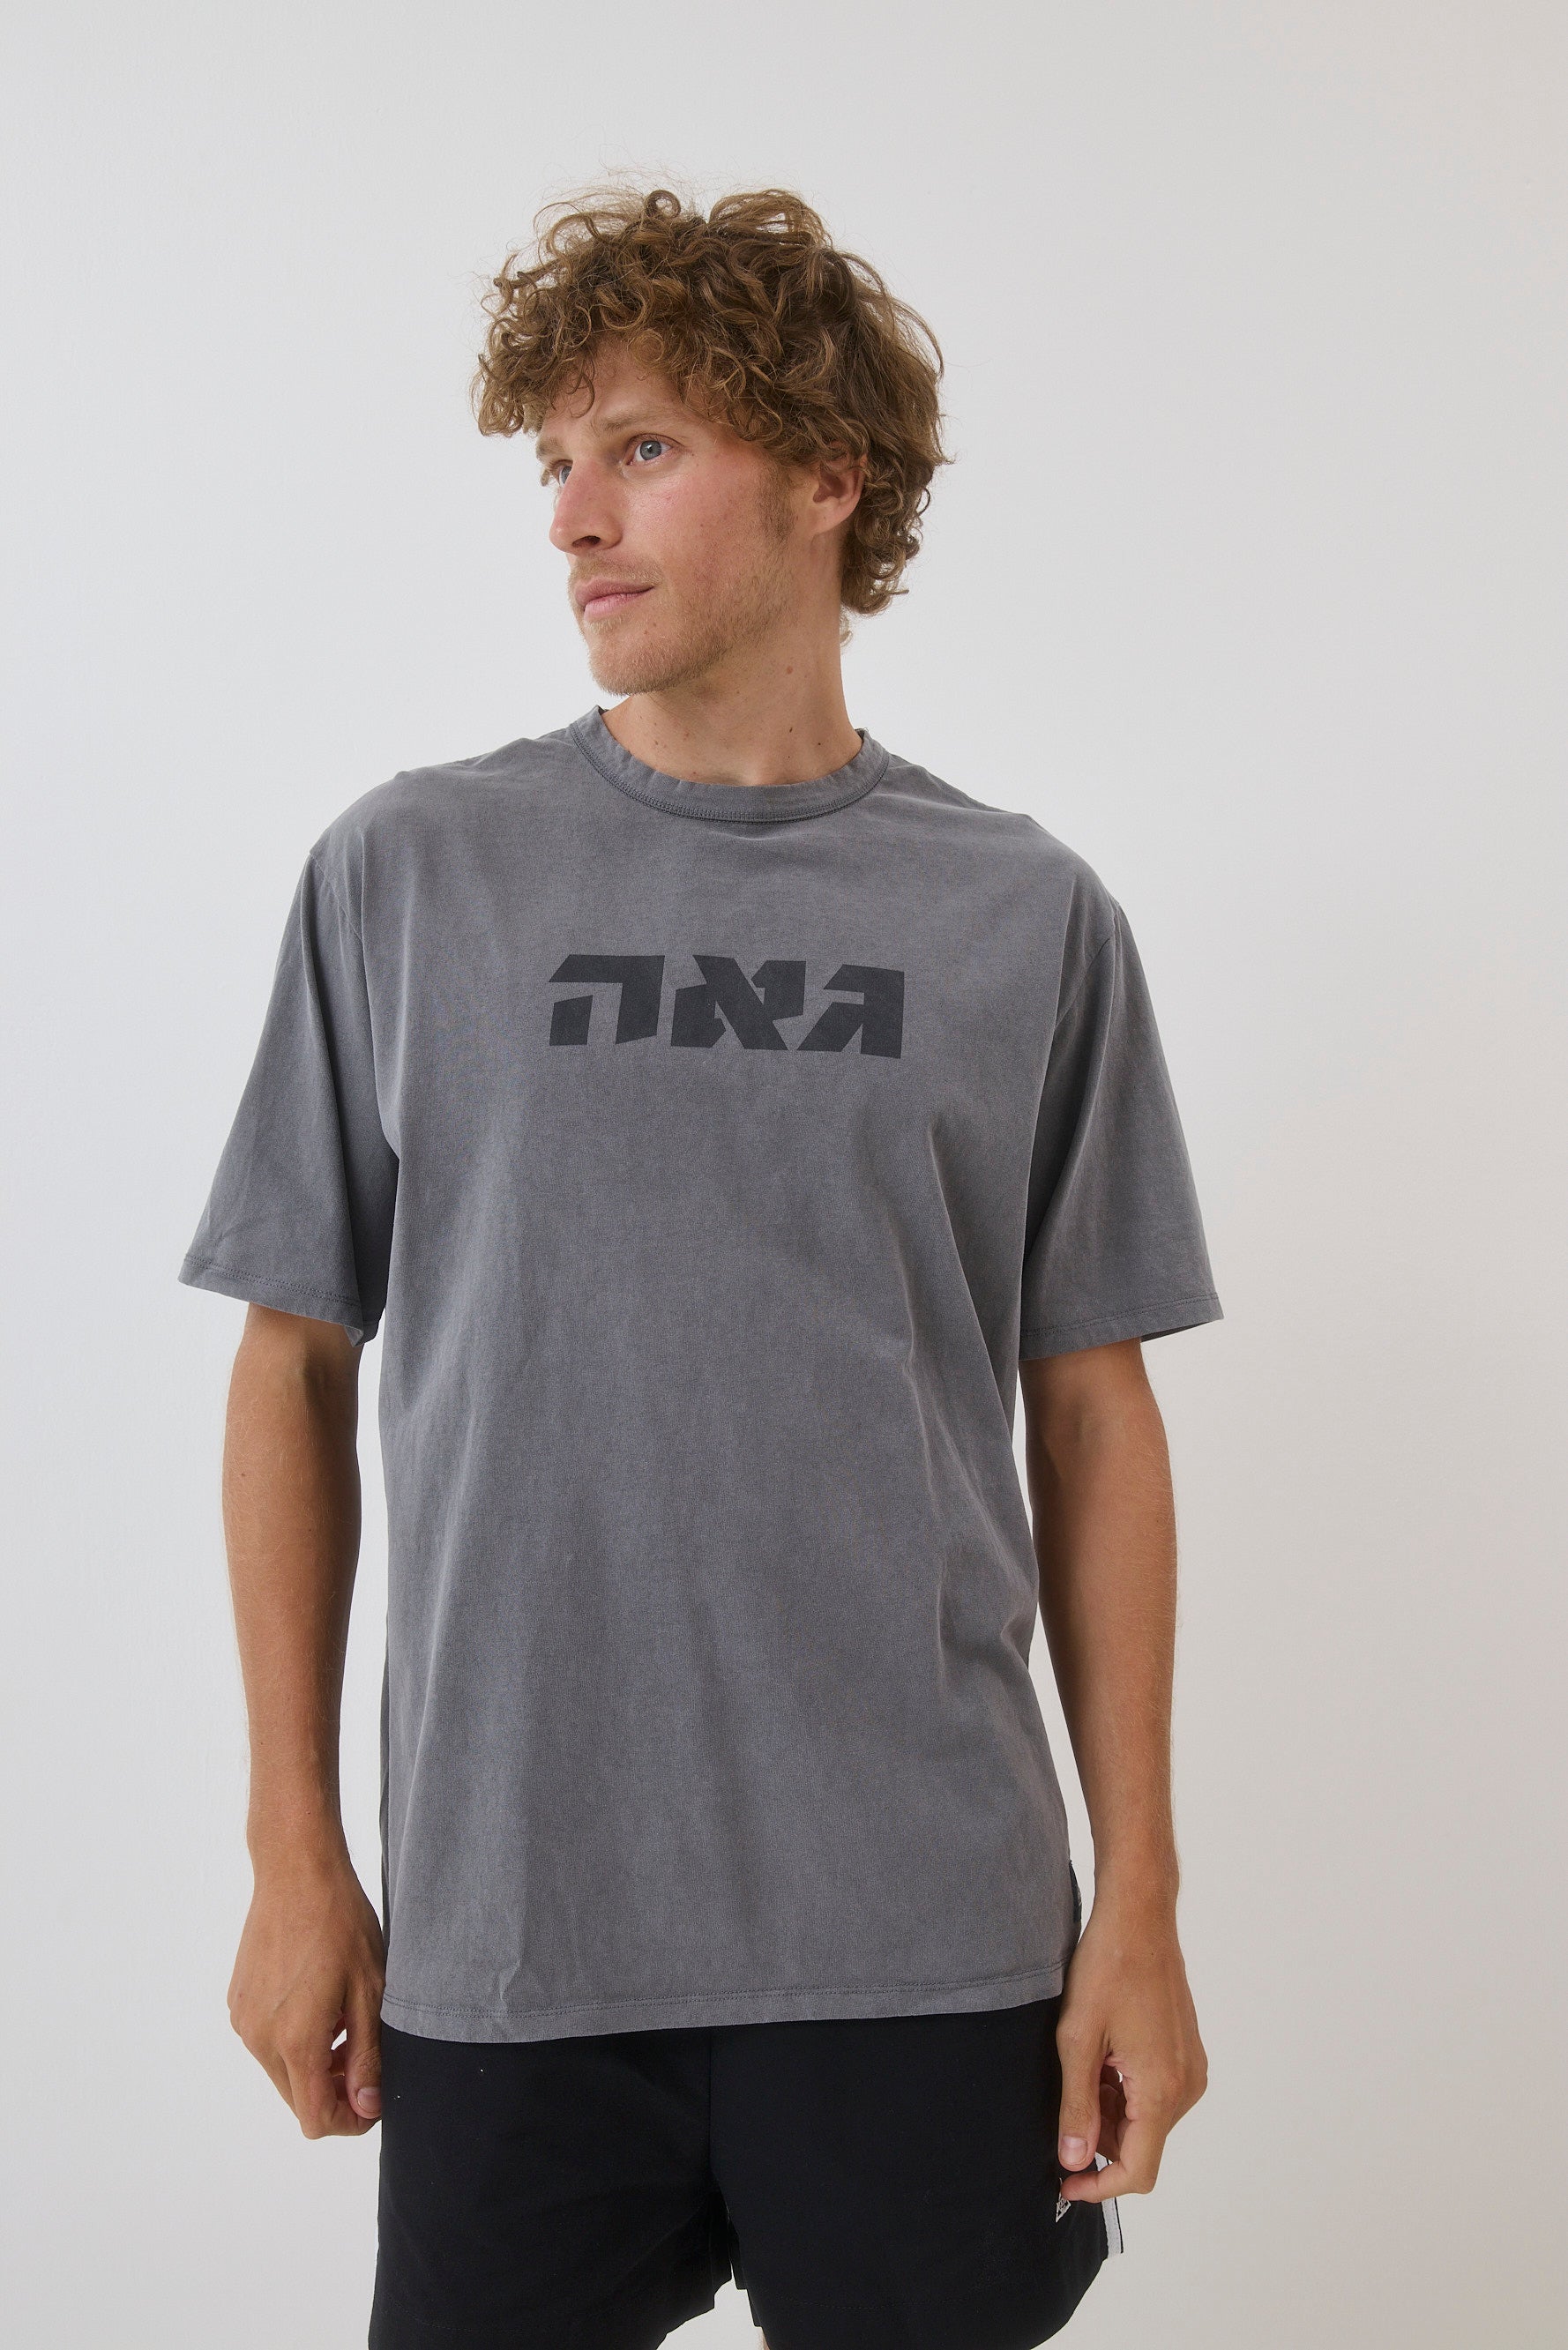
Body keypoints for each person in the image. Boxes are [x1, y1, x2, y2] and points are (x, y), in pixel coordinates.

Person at [179, 184, 1223, 2350]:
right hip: (514, 1934)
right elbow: (291, 1365)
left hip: (925, 1941)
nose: (575, 514)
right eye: (555, 463)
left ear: (827, 475)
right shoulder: (407, 874)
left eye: (641, 447)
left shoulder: (1023, 915)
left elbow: (1092, 1412)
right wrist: (295, 1849)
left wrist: (1139, 1898)